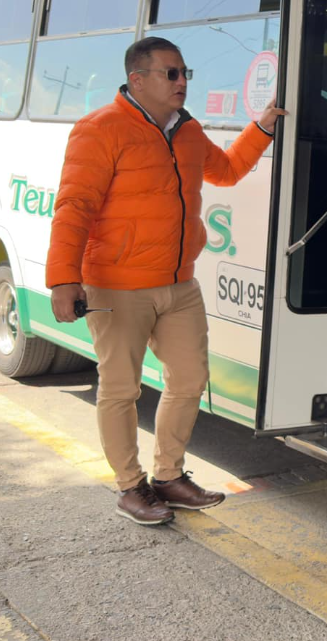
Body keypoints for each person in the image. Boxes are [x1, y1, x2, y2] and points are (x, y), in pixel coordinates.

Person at [46, 37, 286, 524]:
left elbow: (229, 171)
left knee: (191, 379)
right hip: (117, 285)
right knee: (120, 389)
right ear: (137, 80)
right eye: (170, 74)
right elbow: (75, 207)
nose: (181, 82)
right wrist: (63, 280)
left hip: (179, 284)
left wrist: (261, 128)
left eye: (184, 74)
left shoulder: (188, 131)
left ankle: (168, 476)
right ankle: (131, 487)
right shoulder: (100, 130)